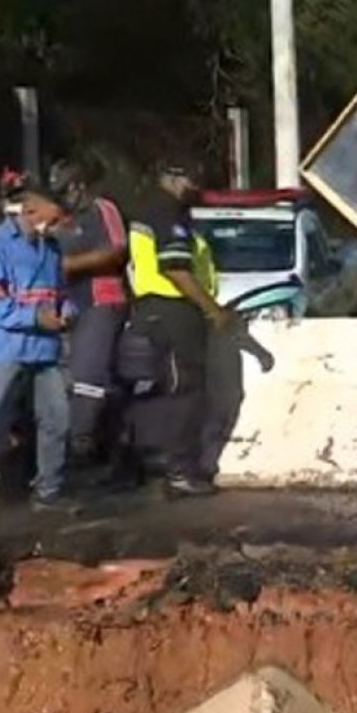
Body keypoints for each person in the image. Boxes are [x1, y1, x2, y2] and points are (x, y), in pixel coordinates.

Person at [127, 163, 232, 498]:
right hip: (172, 309)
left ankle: (173, 465)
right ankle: (179, 472)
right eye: (191, 180)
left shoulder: (159, 210)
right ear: (172, 179)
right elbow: (175, 268)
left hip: (165, 310)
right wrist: (213, 309)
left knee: (178, 388)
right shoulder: (165, 211)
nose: (195, 188)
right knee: (187, 389)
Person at [0, 182, 77, 512]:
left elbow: (60, 293)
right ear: (31, 211)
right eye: (54, 218)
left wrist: (66, 312)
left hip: (44, 350)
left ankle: (49, 493)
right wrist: (35, 317)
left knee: (56, 418)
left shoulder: (51, 249)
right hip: (4, 349)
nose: (58, 226)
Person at [47, 159, 130, 468]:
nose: (62, 198)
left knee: (88, 373)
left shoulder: (102, 209)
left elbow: (117, 250)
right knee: (63, 376)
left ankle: (81, 445)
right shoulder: (58, 220)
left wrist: (68, 266)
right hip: (67, 303)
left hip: (102, 299)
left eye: (65, 191)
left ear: (80, 186)